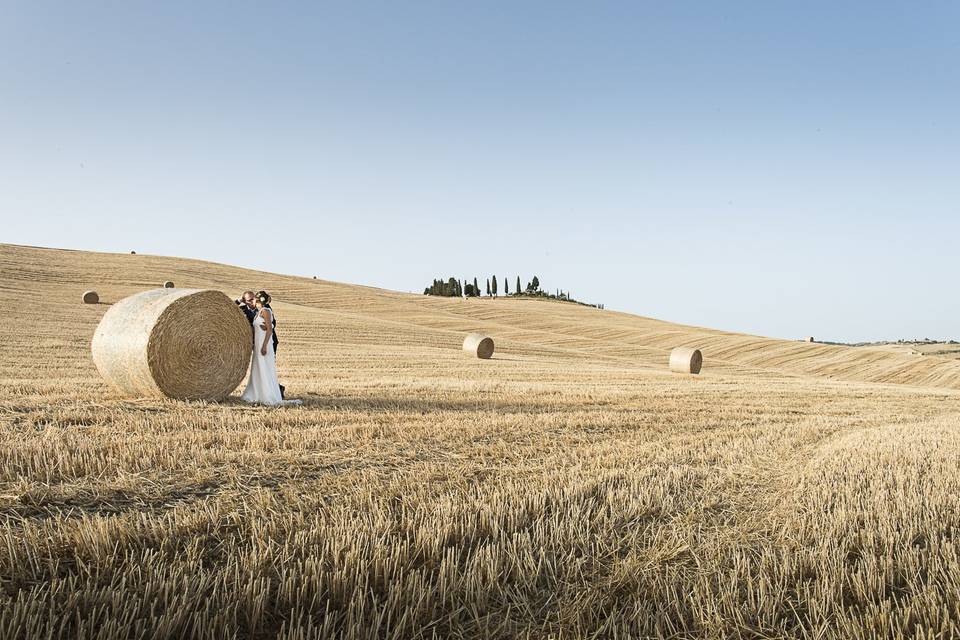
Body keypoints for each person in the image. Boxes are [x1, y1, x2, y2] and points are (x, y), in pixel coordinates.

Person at [237, 290, 285, 399]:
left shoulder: (265, 309)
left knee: (266, 367)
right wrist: (239, 300)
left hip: (266, 343)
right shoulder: (244, 309)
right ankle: (260, 392)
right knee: (259, 368)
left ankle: (271, 392)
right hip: (257, 343)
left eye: (253, 298)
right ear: (245, 301)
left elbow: (272, 324)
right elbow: (229, 306)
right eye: (249, 299)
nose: (252, 300)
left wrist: (269, 327)